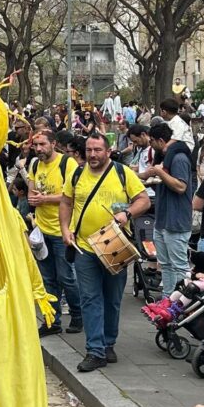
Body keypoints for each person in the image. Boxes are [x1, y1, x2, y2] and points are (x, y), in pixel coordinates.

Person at [60, 134, 151, 371]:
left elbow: (144, 200)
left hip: (115, 247)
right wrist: (65, 230)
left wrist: (127, 214)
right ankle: (95, 350)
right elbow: (66, 202)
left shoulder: (122, 173)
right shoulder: (77, 174)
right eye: (89, 150)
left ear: (108, 151)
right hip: (85, 247)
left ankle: (108, 342)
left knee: (112, 299)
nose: (92, 155)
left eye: (98, 150)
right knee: (90, 298)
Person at [27, 130, 83, 336]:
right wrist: (35, 200)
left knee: (67, 277)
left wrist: (45, 199)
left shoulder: (67, 163)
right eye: (36, 145)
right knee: (47, 279)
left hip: (62, 231)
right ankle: (52, 320)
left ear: (53, 144)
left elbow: (73, 195)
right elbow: (32, 192)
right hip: (41, 232)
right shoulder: (34, 164)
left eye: (42, 145)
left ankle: (78, 315)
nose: (39, 149)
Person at [145, 123, 194, 294]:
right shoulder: (163, 156)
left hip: (176, 221)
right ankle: (167, 299)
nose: (149, 145)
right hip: (162, 219)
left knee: (179, 266)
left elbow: (181, 187)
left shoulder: (179, 158)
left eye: (151, 141)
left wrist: (159, 173)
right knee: (165, 264)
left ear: (160, 140)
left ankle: (181, 302)